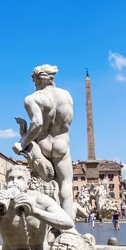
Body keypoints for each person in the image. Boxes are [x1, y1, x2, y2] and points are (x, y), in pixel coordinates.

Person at [13, 65, 75, 221]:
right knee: (66, 184)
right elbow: (68, 121)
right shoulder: (66, 96)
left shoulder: (32, 98)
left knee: (40, 187)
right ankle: (67, 229)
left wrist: (22, 142)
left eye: (34, 81)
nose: (34, 84)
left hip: (43, 145)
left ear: (38, 80)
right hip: (62, 143)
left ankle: (43, 228)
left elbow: (37, 123)